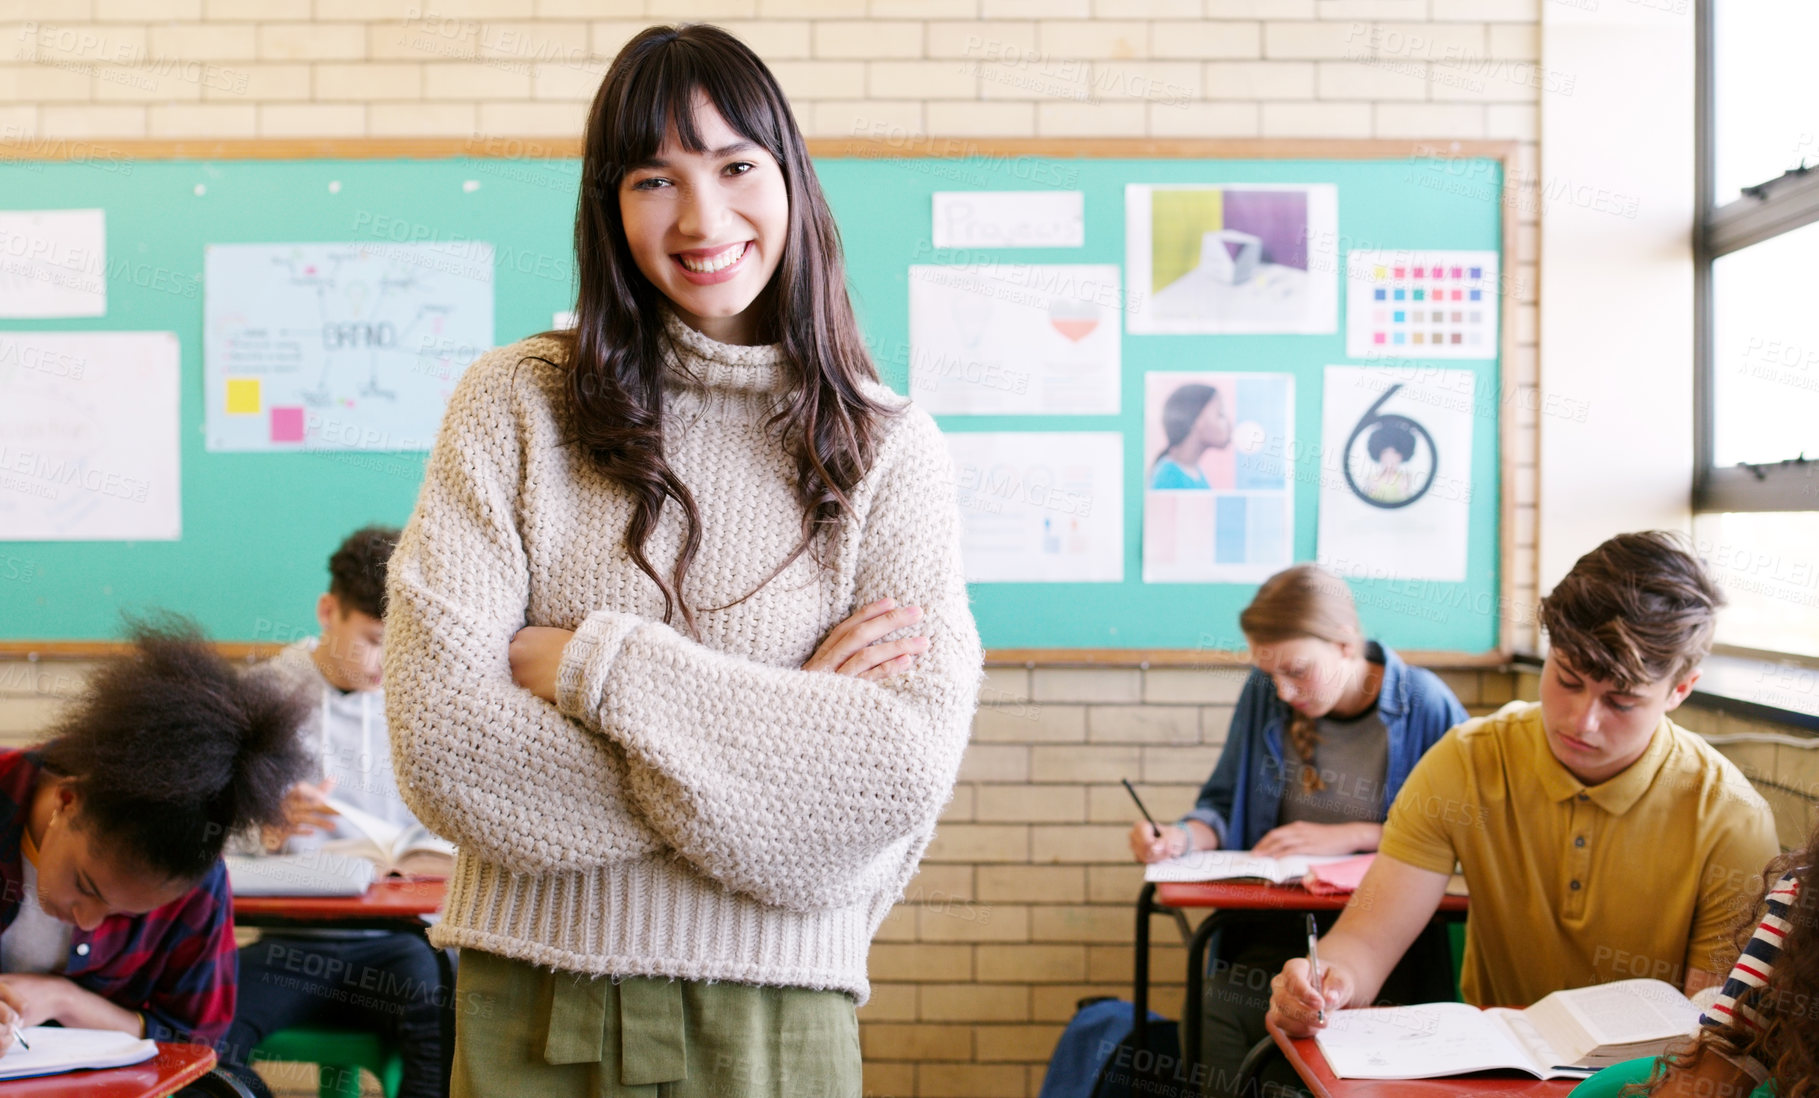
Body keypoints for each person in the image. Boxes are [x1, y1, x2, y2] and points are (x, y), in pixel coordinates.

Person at [382, 24, 982, 1098]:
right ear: (608, 206)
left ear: (790, 177)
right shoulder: (514, 405)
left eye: (736, 166)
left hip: (779, 1017)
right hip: (531, 995)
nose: (703, 219)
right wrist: (786, 737)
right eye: (655, 177)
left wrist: (595, 671)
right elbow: (447, 751)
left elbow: (889, 780)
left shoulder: (891, 448)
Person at [1269, 532, 1781, 1094]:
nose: (1582, 722)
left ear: (1681, 689)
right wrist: (1324, 985)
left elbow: (1713, 1040)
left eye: (1622, 701)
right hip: (1490, 1082)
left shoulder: (1731, 818)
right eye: (1567, 680)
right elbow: (1365, 942)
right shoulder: (1465, 763)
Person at [1127, 563, 1466, 1094]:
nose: (1282, 691)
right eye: (1271, 675)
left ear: (1347, 645)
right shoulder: (1265, 695)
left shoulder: (1426, 704)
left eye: (1297, 671)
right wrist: (1181, 836)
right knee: (1216, 1001)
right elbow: (1221, 804)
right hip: (1275, 928)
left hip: (1388, 942)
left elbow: (1466, 837)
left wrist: (1357, 833)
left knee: (1322, 1045)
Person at [0, 620, 307, 1063]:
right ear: (68, 800)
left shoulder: (194, 878)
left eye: (124, 913)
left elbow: (197, 1044)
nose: (88, 922)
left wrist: (67, 1000)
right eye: (86, 885)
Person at [219, 526, 452, 1098]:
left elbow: (448, 824)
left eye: (401, 643)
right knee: (206, 1036)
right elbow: (206, 846)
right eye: (374, 639)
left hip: (399, 942)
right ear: (329, 611)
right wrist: (265, 826)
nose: (386, 662)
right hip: (292, 941)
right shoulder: (259, 699)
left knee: (442, 1023)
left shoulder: (423, 699)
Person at [1150, 382, 1231, 490]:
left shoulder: (1196, 472)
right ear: (1195, 419)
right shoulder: (1167, 478)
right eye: (1220, 414)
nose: (1229, 425)